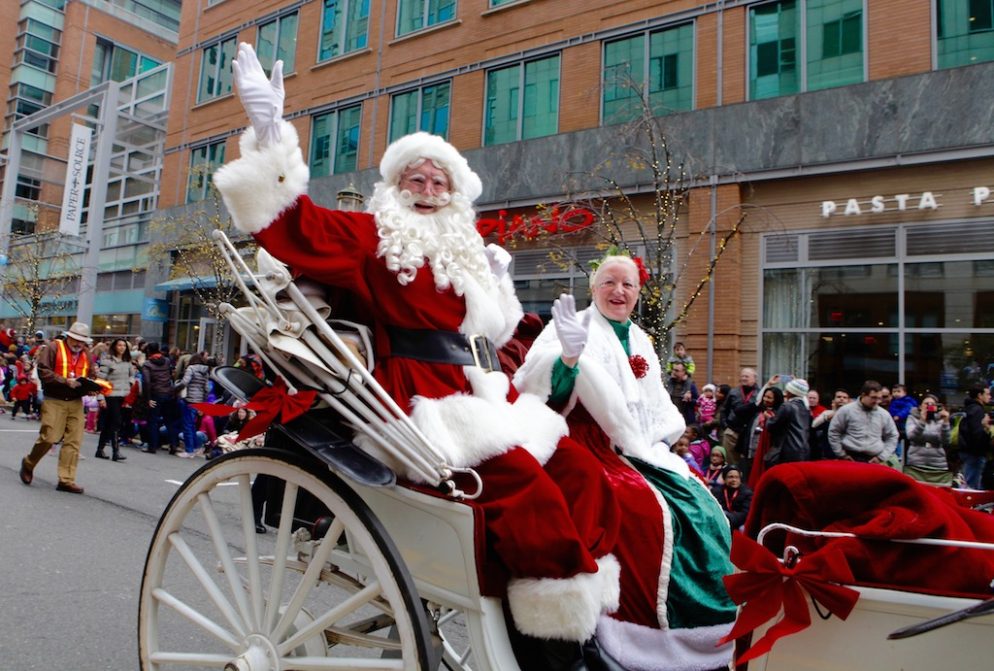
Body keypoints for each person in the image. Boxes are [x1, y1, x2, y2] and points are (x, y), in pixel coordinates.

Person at [213, 43, 623, 652]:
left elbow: (495, 334)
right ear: (396, 186)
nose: (428, 188)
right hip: (420, 403)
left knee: (586, 474)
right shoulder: (372, 235)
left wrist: (500, 285)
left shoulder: (466, 249)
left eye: (440, 180)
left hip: (484, 393)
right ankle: (552, 639)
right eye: (416, 178)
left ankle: (576, 608)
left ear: (455, 192)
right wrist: (271, 133)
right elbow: (295, 225)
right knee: (525, 490)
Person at [514, 256, 736, 671]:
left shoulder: (640, 338)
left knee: (702, 504)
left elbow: (652, 406)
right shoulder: (573, 324)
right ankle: (630, 630)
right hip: (582, 440)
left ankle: (705, 623)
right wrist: (567, 358)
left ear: (637, 292)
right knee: (641, 510)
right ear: (594, 288)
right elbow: (538, 392)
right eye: (609, 283)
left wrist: (660, 444)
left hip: (637, 448)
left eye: (628, 285)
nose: (618, 292)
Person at [18, 322, 99, 494]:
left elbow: (91, 373)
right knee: (49, 438)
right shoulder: (53, 347)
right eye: (76, 339)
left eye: (82, 341)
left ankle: (66, 480)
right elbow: (43, 371)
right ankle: (29, 463)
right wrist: (65, 381)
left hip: (76, 401)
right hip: (54, 399)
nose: (79, 344)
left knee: (74, 441)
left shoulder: (86, 353)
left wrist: (92, 386)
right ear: (68, 336)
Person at [828, 380, 899, 465]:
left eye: (879, 398)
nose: (877, 401)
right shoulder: (846, 410)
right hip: (850, 458)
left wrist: (881, 457)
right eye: (873, 397)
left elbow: (893, 436)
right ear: (863, 395)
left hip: (874, 460)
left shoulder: (884, 414)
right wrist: (841, 454)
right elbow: (834, 432)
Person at [95, 337, 133, 461]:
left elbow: (132, 375)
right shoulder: (108, 361)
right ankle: (116, 451)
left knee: (108, 423)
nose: (122, 347)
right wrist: (100, 397)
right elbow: (100, 380)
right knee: (117, 421)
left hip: (122, 395)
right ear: (114, 347)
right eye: (119, 345)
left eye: (124, 345)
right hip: (110, 395)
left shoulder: (128, 361)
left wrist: (130, 383)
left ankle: (100, 449)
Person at [140, 342, 180, 455]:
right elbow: (171, 374)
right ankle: (173, 445)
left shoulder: (147, 364)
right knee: (169, 420)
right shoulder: (166, 361)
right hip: (168, 393)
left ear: (148, 351)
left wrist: (147, 398)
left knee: (152, 420)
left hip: (156, 394)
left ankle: (152, 446)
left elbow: (146, 382)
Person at [903, 394, 952, 485]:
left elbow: (946, 441)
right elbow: (911, 436)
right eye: (926, 403)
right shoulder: (912, 417)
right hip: (916, 459)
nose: (929, 406)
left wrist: (945, 422)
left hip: (938, 461)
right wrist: (922, 421)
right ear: (920, 406)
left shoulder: (940, 419)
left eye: (932, 404)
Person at [763, 377, 812, 468]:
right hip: (803, 451)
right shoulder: (806, 409)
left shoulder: (787, 406)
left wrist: (769, 418)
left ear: (790, 392)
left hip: (787, 450)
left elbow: (772, 425)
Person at [745, 383, 783, 488]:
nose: (766, 399)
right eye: (765, 396)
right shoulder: (760, 411)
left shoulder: (778, 414)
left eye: (769, 397)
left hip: (770, 449)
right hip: (756, 448)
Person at [175, 352, 212, 457]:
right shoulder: (206, 371)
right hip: (199, 401)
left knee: (187, 425)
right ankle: (195, 447)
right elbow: (207, 389)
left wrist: (176, 388)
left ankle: (189, 450)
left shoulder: (191, 368)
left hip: (189, 399)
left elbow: (185, 382)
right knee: (192, 425)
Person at [721, 367, 760, 464]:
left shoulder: (760, 394)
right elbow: (724, 409)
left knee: (748, 462)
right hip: (732, 432)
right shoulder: (734, 392)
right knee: (731, 462)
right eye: (742, 376)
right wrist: (725, 425)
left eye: (747, 376)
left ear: (754, 378)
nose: (744, 378)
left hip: (749, 433)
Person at [958, 384, 991, 489]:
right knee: (972, 486)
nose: (990, 396)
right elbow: (977, 434)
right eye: (987, 394)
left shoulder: (968, 408)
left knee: (969, 482)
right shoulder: (977, 410)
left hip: (967, 452)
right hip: (975, 454)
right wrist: (987, 429)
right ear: (979, 395)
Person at [711, 464, 752, 530]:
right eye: (730, 477)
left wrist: (730, 518)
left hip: (739, 522)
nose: (734, 480)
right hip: (721, 520)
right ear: (724, 479)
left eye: (736, 477)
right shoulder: (716, 492)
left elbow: (745, 514)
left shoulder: (747, 493)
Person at [667, 361, 698, 427]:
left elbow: (698, 402)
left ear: (684, 372)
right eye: (673, 370)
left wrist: (689, 400)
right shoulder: (669, 384)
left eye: (677, 370)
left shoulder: (690, 385)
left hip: (685, 420)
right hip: (671, 419)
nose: (674, 372)